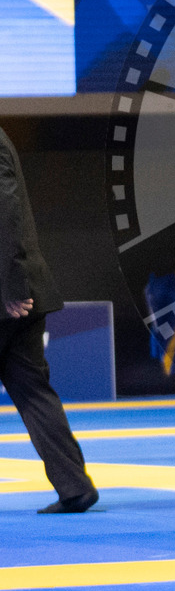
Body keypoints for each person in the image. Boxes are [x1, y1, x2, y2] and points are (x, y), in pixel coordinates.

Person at [0, 126, 98, 513]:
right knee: (34, 393)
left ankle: (75, 485)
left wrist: (12, 286)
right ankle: (74, 485)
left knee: (35, 393)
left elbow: (6, 214)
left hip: (10, 293)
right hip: (16, 289)